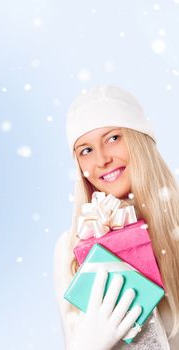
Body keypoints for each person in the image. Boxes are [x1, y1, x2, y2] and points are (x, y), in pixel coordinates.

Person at [53, 85, 179, 349]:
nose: (102, 160)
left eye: (112, 138)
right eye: (85, 150)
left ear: (139, 139)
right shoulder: (69, 248)